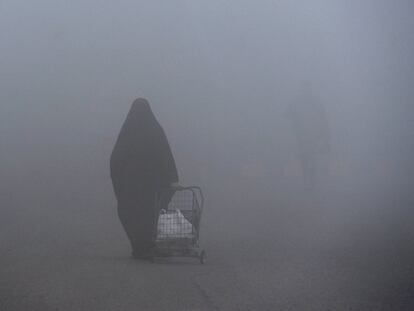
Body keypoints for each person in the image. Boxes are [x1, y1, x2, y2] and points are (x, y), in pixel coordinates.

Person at [110, 98, 179, 258]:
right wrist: (172, 178)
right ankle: (148, 244)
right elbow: (166, 155)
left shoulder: (128, 132)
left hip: (131, 187)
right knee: (151, 212)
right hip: (153, 185)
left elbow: (116, 159)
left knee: (131, 213)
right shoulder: (155, 130)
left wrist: (119, 180)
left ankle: (139, 246)